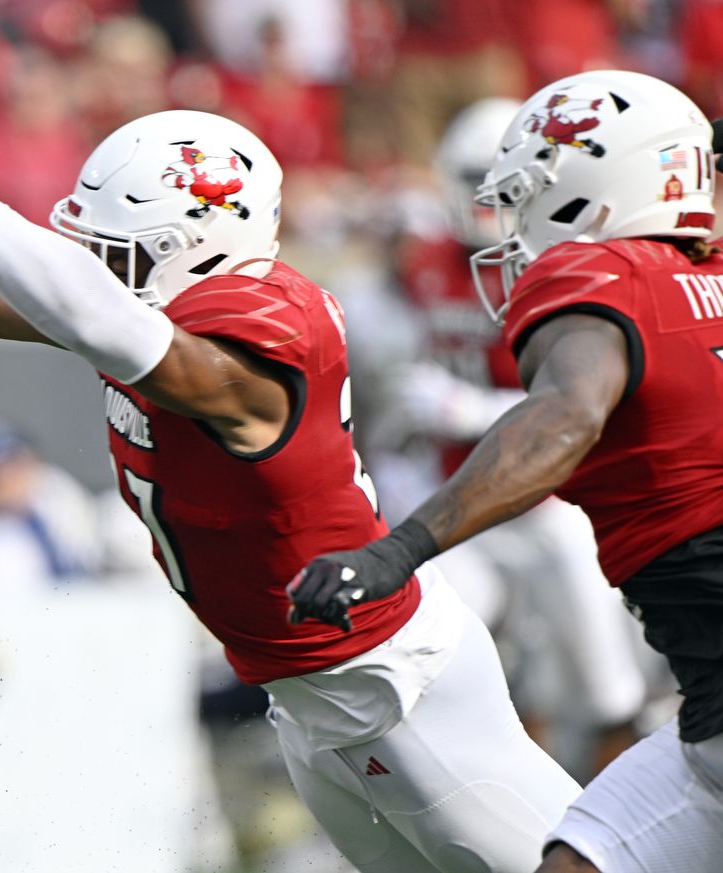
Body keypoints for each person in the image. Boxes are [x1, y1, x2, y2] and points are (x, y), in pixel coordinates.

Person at [0, 55, 579, 873]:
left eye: (113, 252)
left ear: (188, 247)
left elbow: (97, 316)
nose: (92, 270)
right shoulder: (160, 307)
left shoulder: (254, 338)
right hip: (305, 697)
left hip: (392, 686)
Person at [289, 70, 723, 873]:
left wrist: (398, 549)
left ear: (604, 188)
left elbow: (569, 413)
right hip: (707, 714)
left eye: (530, 193)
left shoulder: (607, 273)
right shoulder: (703, 272)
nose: (509, 225)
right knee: (578, 859)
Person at [387, 97, 650, 779]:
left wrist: (472, 409)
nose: (498, 200)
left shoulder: (569, 267)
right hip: (462, 501)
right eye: (484, 178)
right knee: (452, 665)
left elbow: (587, 400)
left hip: (554, 502)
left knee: (604, 681)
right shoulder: (427, 259)